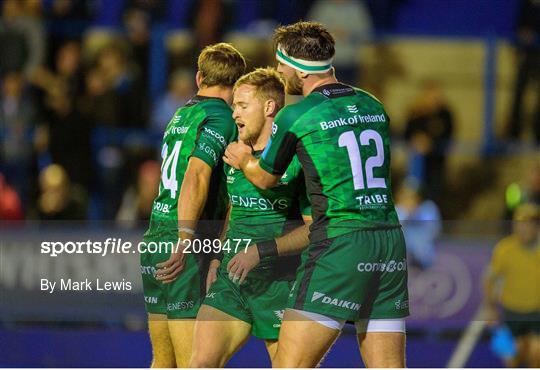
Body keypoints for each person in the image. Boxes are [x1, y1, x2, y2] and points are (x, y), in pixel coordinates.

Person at [224, 21, 408, 367]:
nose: (279, 73)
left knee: (289, 365)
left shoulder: (297, 115)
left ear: (299, 68)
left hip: (340, 242)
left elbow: (265, 178)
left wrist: (245, 160)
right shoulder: (373, 105)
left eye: (281, 66)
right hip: (389, 242)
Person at [189, 68, 312, 367]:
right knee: (200, 364)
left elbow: (314, 230)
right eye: (233, 106)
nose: (234, 114)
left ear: (269, 107)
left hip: (280, 283)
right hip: (232, 282)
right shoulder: (233, 155)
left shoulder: (297, 160)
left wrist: (260, 251)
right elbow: (233, 208)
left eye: (243, 106)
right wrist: (218, 257)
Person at [140, 43, 245, 368]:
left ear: (199, 77)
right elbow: (197, 174)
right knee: (193, 363)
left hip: (157, 235)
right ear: (238, 83)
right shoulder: (222, 118)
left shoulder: (183, 113)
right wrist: (186, 238)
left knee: (163, 360)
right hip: (187, 243)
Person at [484, 203, 540, 368]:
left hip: (536, 312)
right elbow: (490, 279)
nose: (522, 229)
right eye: (518, 224)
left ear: (536, 227)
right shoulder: (504, 249)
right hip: (511, 313)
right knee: (512, 359)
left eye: (527, 224)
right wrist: (490, 308)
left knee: (536, 354)